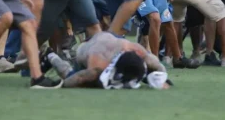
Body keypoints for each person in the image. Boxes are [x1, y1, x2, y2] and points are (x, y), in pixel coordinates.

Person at [41, 32, 170, 89]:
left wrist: (162, 79)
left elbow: (158, 66)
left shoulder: (137, 50)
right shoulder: (98, 62)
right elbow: (80, 78)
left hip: (111, 40)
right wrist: (60, 85)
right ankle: (50, 56)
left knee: (137, 70)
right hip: (86, 51)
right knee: (74, 77)